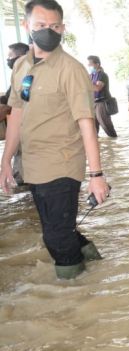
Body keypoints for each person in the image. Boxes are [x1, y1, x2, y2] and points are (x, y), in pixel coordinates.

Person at [0, 0, 110, 280]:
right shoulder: (21, 67)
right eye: (40, 25)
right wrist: (5, 161)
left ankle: (73, 299)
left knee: (56, 238)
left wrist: (96, 175)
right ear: (26, 26)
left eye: (54, 26)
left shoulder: (71, 70)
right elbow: (16, 115)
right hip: (33, 165)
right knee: (58, 228)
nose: (48, 31)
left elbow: (87, 122)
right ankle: (94, 264)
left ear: (63, 28)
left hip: (62, 163)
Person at [3, 42, 30, 184]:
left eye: (10, 56)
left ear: (21, 56)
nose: (8, 60)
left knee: (24, 178)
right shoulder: (18, 74)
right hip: (19, 132)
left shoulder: (28, 74)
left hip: (26, 132)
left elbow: (18, 102)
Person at [87, 55, 117, 137]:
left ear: (97, 64)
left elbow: (97, 88)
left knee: (106, 125)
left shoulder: (102, 75)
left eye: (90, 64)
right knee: (93, 128)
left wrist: (87, 83)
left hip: (102, 103)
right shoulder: (92, 75)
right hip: (93, 103)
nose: (88, 66)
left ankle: (114, 143)